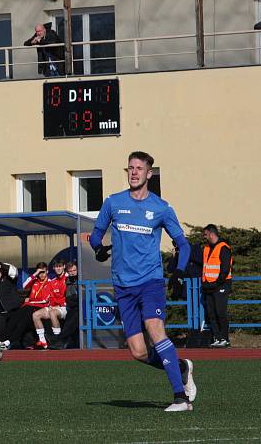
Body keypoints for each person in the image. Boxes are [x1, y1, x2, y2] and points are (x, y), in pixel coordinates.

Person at [90, 150, 197, 412]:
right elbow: (95, 234)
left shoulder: (161, 208)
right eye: (130, 168)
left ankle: (180, 398)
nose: (134, 172)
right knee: (138, 351)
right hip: (122, 285)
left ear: (150, 173)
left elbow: (183, 244)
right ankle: (181, 366)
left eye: (139, 168)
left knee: (155, 328)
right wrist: (98, 248)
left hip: (150, 281)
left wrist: (179, 271)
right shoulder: (113, 203)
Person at [201, 224, 232, 348]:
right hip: (208, 285)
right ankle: (218, 338)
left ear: (211, 233)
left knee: (220, 312)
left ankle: (225, 338)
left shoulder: (223, 247)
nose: (204, 236)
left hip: (221, 285)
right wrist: (205, 283)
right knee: (211, 314)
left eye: (205, 234)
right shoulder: (207, 248)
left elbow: (225, 269)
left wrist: (216, 283)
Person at [8, 263, 50, 349]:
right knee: (14, 316)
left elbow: (45, 300)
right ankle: (5, 339)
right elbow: (24, 285)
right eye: (40, 272)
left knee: (25, 317)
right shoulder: (35, 281)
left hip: (39, 307)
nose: (41, 274)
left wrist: (30, 300)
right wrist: (35, 274)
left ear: (47, 272)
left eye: (43, 272)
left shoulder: (50, 282)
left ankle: (11, 341)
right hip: (28, 306)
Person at [31, 261, 68, 348]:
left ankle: (58, 340)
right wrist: (51, 305)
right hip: (54, 307)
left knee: (52, 313)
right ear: (54, 268)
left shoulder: (67, 278)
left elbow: (67, 296)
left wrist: (57, 305)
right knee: (35, 315)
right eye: (56, 266)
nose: (58, 268)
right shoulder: (53, 281)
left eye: (60, 266)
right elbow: (50, 297)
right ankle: (43, 341)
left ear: (64, 267)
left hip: (64, 307)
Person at [51, 262, 80, 349]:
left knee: (72, 316)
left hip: (81, 306)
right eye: (70, 271)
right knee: (70, 316)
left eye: (74, 270)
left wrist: (72, 299)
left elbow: (81, 296)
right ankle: (66, 342)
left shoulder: (82, 278)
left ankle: (61, 340)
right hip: (71, 306)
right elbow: (67, 297)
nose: (72, 272)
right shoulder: (67, 280)